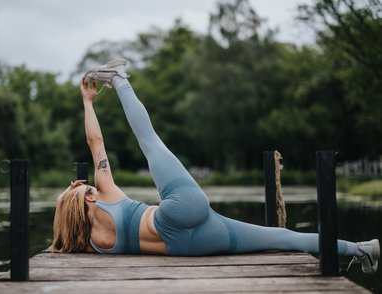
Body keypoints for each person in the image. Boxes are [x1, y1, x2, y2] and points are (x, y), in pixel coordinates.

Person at [52, 59, 380, 274]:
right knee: (149, 142)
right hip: (178, 211)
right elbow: (96, 142)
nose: (84, 184)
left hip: (191, 247)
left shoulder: (87, 242)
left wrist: (68, 200)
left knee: (281, 237)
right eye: (82, 186)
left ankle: (361, 250)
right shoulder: (105, 192)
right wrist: (87, 101)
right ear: (90, 198)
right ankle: (118, 80)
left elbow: (63, 226)